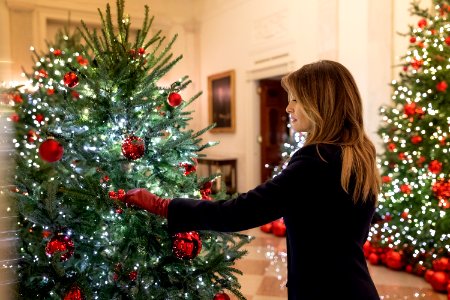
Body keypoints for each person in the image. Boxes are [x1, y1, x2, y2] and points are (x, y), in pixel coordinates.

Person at [124, 60, 381, 300]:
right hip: (354, 286)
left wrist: (162, 205)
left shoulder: (317, 160)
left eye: (296, 99)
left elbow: (240, 212)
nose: (288, 107)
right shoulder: (356, 154)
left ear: (321, 103)